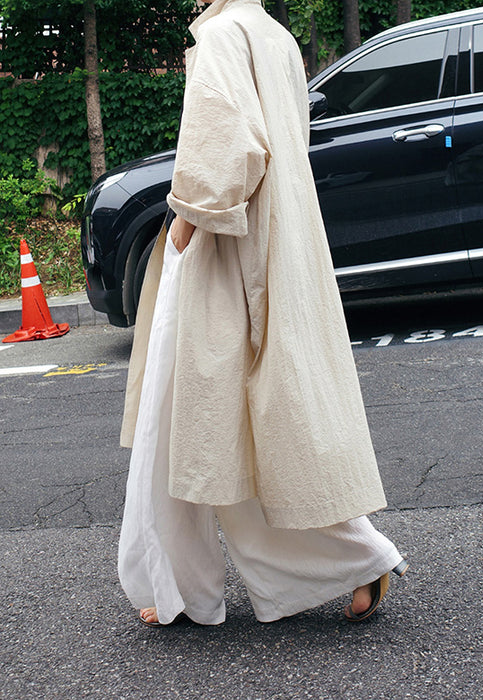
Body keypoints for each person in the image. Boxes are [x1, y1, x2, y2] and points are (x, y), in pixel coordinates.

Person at [118, 0, 408, 628]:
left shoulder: (224, 34)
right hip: (278, 238)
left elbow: (228, 149)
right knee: (228, 428)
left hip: (225, 248)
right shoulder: (275, 35)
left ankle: (198, 585)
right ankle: (192, 586)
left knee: (195, 421)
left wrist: (185, 226)